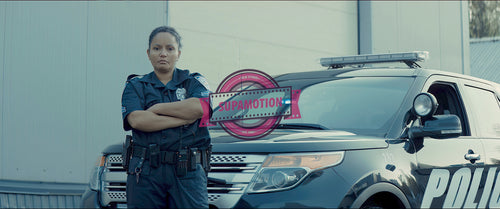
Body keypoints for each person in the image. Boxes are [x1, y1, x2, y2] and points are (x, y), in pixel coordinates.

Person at [121, 26, 211, 208]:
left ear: (178, 53)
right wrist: (184, 119)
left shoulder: (193, 82)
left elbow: (200, 108)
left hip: (187, 171)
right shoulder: (136, 85)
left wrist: (158, 108)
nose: (163, 53)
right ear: (148, 53)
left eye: (169, 49)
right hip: (145, 173)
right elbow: (137, 120)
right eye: (157, 48)